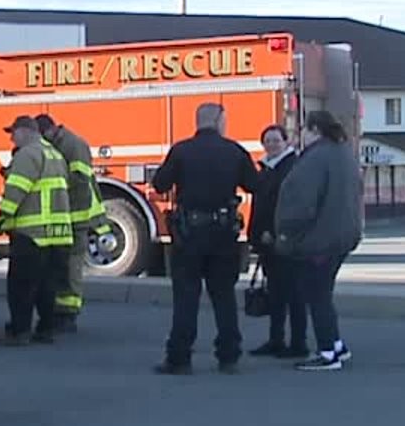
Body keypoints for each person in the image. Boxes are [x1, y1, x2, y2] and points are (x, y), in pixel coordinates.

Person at [151, 102, 258, 375]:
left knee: (186, 296)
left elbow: (160, 184)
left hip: (189, 234)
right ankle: (228, 356)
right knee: (223, 296)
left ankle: (179, 358)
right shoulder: (234, 151)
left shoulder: (182, 150)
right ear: (220, 121)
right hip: (223, 233)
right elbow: (254, 185)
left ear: (198, 121)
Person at [274, 110, 364, 371]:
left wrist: (287, 234)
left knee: (317, 295)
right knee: (323, 292)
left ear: (314, 129)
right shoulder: (344, 153)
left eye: (304, 128)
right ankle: (336, 345)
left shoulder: (315, 159)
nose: (301, 133)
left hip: (319, 240)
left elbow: (301, 203)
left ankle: (327, 352)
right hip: (342, 236)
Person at [0, 116, 73, 346]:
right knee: (47, 287)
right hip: (57, 235)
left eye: (13, 133)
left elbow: (17, 190)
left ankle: (19, 332)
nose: (11, 138)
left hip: (32, 233)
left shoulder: (28, 154)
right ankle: (45, 329)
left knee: (20, 287)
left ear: (25, 131)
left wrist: (3, 217)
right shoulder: (55, 154)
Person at [35, 113, 112, 333]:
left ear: (49, 131)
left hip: (75, 216)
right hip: (65, 215)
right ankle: (60, 311)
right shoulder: (60, 144)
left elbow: (78, 180)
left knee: (71, 266)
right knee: (61, 266)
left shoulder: (73, 145)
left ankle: (69, 314)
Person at [248, 124, 308, 358]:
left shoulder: (290, 167)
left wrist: (274, 232)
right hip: (268, 241)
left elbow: (287, 205)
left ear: (286, 142)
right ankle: (276, 340)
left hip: (284, 240)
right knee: (276, 293)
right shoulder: (267, 167)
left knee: (293, 293)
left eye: (276, 140)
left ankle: (298, 343)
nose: (271, 145)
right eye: (268, 141)